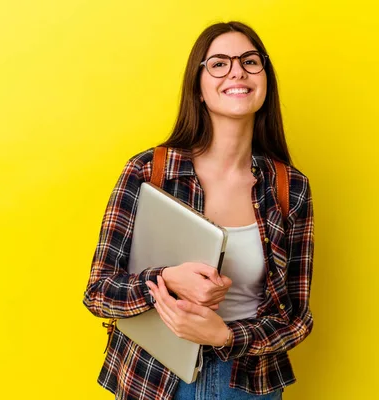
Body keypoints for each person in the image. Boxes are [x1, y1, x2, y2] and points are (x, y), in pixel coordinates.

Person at [83, 21, 314, 400]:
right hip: (154, 380)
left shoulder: (291, 188)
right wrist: (166, 280)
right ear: (199, 88)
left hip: (247, 386)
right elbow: (98, 292)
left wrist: (224, 336)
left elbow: (297, 319)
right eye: (219, 63)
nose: (237, 71)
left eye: (250, 61)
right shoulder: (149, 172)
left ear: (265, 80)